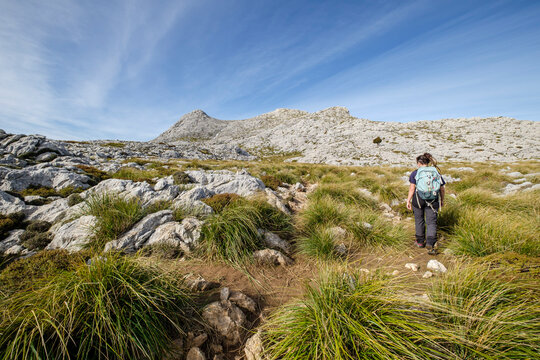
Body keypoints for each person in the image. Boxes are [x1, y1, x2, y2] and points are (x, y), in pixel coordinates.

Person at [406, 153, 445, 255]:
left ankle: (419, 242)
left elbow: (412, 188)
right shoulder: (436, 172)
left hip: (418, 200)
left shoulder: (415, 173)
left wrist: (408, 200)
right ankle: (430, 244)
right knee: (431, 222)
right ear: (428, 162)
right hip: (433, 199)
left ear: (419, 163)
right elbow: (442, 188)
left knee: (419, 220)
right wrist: (442, 200)